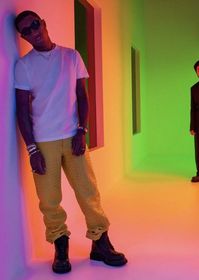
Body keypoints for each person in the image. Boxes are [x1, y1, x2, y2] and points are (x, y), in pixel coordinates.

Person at [14, 10, 127, 274]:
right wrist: (32, 148)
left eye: (34, 25)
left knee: (89, 192)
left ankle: (101, 243)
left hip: (73, 136)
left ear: (43, 22)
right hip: (43, 142)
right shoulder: (24, 65)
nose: (32, 32)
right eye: (26, 31)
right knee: (49, 199)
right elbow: (21, 110)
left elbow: (83, 97)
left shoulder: (71, 56)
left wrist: (81, 130)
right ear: (23, 37)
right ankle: (60, 246)